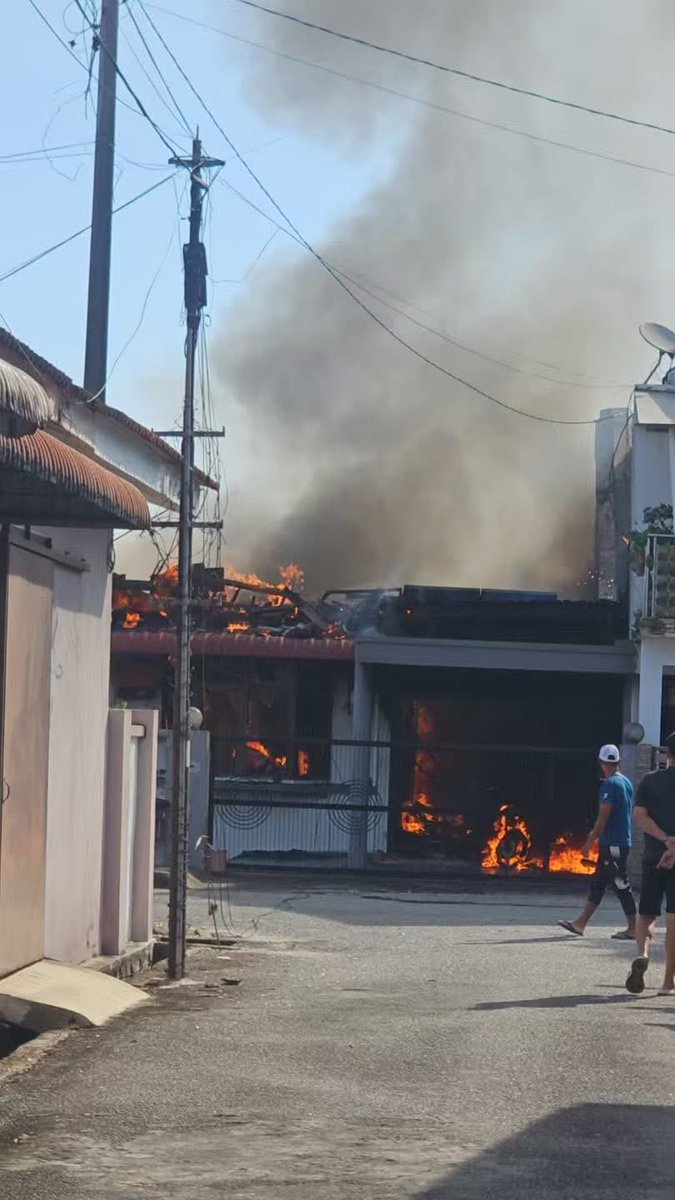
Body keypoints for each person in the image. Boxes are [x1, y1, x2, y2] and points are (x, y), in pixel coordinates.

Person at [558, 744, 636, 939]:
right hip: (619, 841)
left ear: (601, 763)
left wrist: (589, 842)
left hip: (613, 843)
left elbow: (603, 817)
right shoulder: (626, 782)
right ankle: (580, 924)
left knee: (620, 884)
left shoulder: (610, 785)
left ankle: (634, 928)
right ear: (617, 762)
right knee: (599, 884)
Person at [625, 732, 675, 997]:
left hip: (653, 855)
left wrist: (665, 840)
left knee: (647, 911)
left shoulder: (651, 780)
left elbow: (640, 815)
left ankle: (642, 953)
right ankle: (668, 981)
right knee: (674, 917)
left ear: (667, 754)